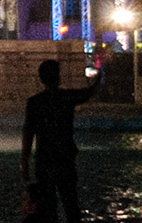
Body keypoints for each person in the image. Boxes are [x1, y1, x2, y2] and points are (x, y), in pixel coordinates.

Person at [22, 58, 101, 223]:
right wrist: (100, 75)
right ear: (58, 77)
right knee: (70, 202)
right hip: (65, 158)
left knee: (48, 206)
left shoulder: (35, 102)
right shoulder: (67, 98)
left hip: (44, 161)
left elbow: (28, 133)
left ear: (41, 78)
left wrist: (24, 162)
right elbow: (89, 92)